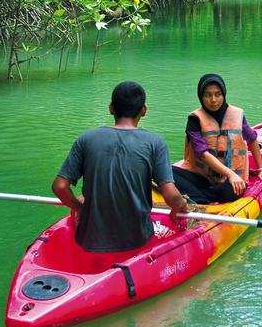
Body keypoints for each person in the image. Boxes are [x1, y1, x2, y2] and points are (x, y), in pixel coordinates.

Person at [52, 81, 190, 253]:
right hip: (137, 239)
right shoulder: (155, 143)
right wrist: (181, 205)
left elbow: (59, 187)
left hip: (88, 239)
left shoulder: (86, 139)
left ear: (111, 108)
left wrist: (80, 208)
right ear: (144, 110)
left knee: (81, 197)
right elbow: (170, 194)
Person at [173, 73, 262, 204]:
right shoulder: (194, 119)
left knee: (230, 191)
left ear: (224, 94)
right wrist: (229, 174)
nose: (213, 100)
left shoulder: (237, 114)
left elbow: (252, 138)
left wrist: (261, 170)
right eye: (207, 95)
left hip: (230, 181)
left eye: (218, 94)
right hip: (201, 176)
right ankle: (203, 199)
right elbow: (202, 154)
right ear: (201, 97)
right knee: (163, 171)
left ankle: (196, 196)